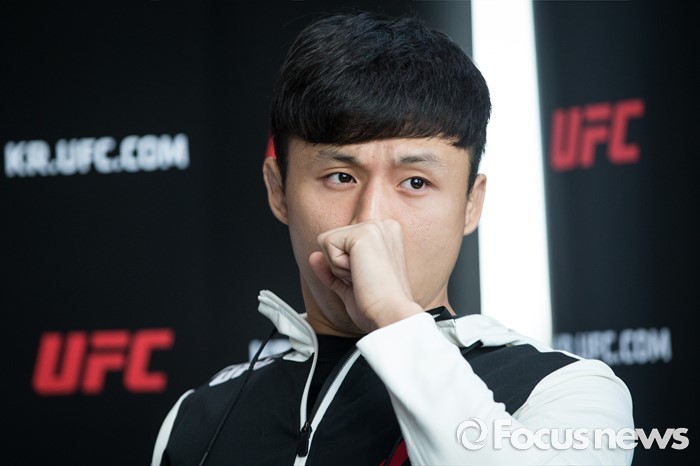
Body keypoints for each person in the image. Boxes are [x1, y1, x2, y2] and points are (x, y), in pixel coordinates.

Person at [151, 10, 634, 466]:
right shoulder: (199, 417)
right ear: (278, 191)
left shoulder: (564, 389)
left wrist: (392, 316)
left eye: (415, 182)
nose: (372, 218)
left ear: (471, 204)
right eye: (340, 177)